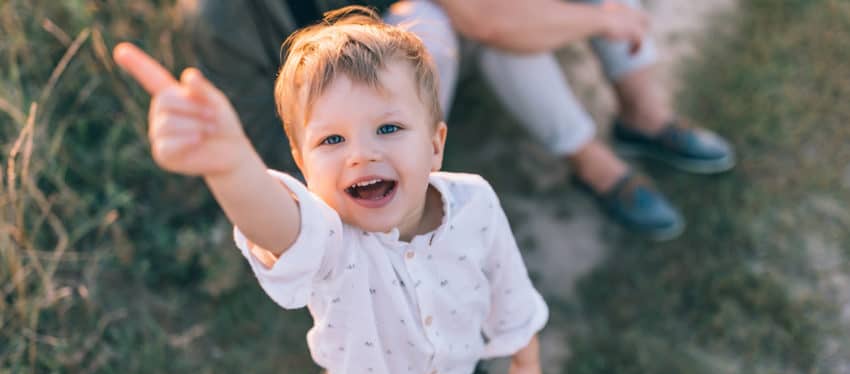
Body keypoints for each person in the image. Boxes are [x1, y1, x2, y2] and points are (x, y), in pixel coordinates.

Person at [113, 6, 548, 374]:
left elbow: (508, 283)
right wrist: (231, 165)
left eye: (388, 128)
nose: (362, 153)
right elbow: (270, 219)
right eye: (332, 140)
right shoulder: (330, 241)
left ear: (436, 144)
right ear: (301, 164)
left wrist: (525, 357)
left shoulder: (475, 203)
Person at [187, 0, 734, 241]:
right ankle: (395, 206)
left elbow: (489, 16)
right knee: (466, 28)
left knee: (492, 27)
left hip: (429, 72)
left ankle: (636, 126)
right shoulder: (221, 15)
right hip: (330, 152)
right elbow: (260, 148)